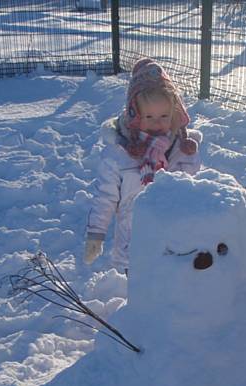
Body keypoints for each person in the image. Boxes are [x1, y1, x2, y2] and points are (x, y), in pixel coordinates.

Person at [84, 58, 202, 272]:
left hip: (174, 245)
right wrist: (96, 234)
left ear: (175, 113)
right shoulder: (119, 154)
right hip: (133, 247)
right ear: (135, 116)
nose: (158, 123)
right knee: (140, 296)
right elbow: (105, 197)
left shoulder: (183, 150)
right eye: (149, 116)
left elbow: (193, 195)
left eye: (164, 116)